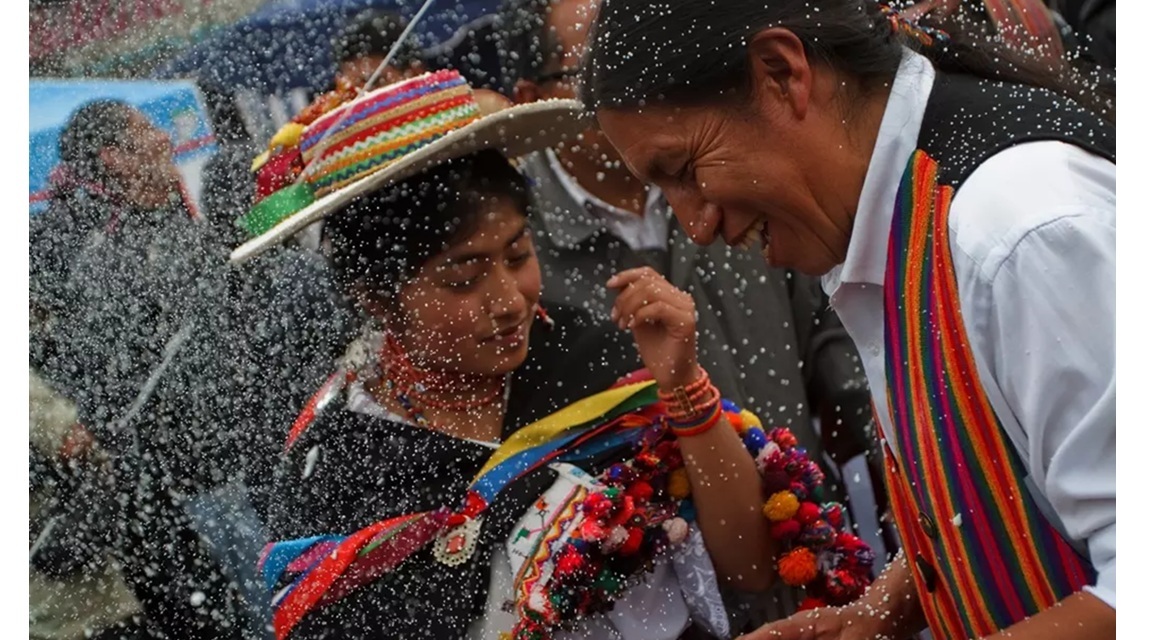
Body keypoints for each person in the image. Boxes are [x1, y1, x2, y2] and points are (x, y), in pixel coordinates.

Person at [234, 71, 874, 639]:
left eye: (518, 255)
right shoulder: (341, 464)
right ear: (376, 299)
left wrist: (683, 386)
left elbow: (753, 566)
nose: (508, 300)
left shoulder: (593, 360)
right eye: (463, 279)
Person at [579, 1, 1115, 639]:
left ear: (782, 73)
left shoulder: (1017, 229)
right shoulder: (908, 220)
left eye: (687, 170)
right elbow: (1012, 478)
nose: (695, 226)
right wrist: (878, 615)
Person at [501, 0, 885, 586]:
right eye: (596, 73)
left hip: (812, 561)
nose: (633, 82)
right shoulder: (519, 265)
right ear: (533, 97)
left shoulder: (739, 172)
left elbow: (838, 347)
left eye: (638, 57)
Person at [30, 100, 272, 640]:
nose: (166, 140)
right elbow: (122, 370)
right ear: (114, 158)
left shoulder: (157, 220)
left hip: (213, 464)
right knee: (255, 611)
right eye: (148, 131)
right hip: (181, 480)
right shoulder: (91, 242)